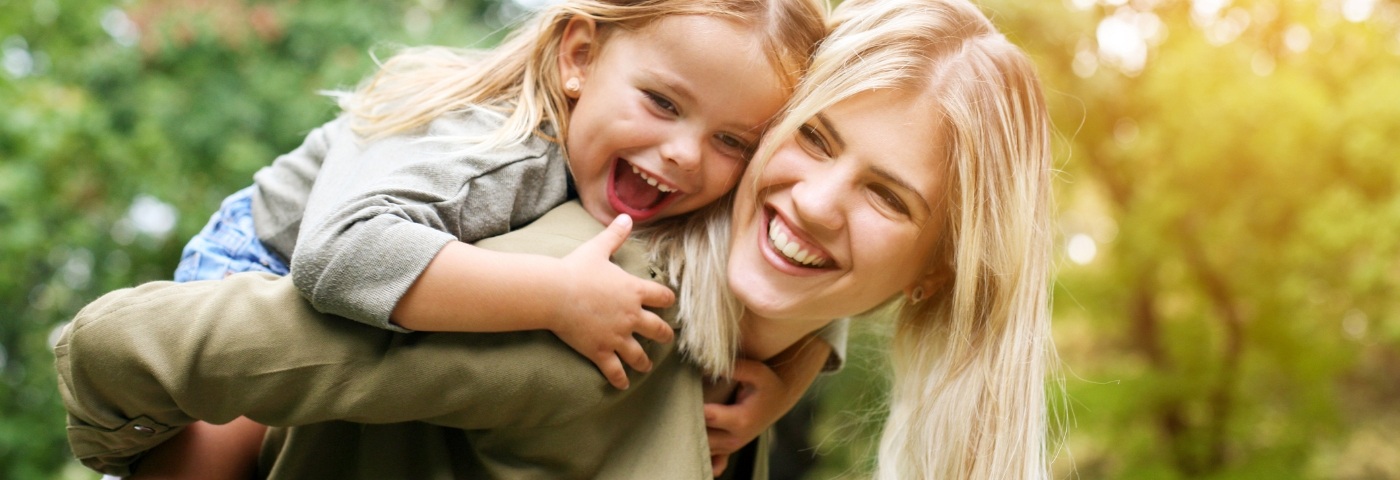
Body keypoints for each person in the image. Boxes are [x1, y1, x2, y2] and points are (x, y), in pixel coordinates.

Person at [56, 0, 1056, 477]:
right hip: (297, 237)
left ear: (935, 277)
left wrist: (797, 368)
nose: (818, 201)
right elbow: (119, 349)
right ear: (579, 57)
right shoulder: (589, 307)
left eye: (886, 197)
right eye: (816, 141)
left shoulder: (733, 368)